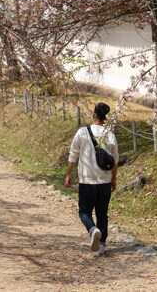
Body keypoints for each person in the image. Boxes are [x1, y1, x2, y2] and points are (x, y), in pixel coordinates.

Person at [65, 102, 119, 255]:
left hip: (87, 181)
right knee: (102, 213)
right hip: (104, 181)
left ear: (94, 115)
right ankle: (101, 246)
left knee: (84, 212)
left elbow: (73, 155)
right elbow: (115, 162)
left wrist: (69, 174)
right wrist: (113, 179)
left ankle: (93, 229)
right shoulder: (110, 135)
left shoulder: (82, 132)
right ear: (106, 118)